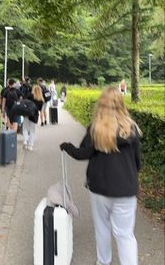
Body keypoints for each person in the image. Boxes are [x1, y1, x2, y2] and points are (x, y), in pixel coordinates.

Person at [60, 86, 142, 265]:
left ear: (101, 104)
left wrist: (67, 146)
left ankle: (103, 262)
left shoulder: (95, 129)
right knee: (125, 234)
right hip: (126, 188)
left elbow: (83, 154)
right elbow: (137, 161)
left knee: (102, 228)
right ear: (121, 104)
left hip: (99, 187)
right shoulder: (131, 129)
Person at [23, 84, 44, 151]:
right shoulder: (41, 99)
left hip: (27, 114)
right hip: (35, 116)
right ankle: (31, 145)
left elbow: (24, 102)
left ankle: (25, 141)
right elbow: (40, 110)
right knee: (33, 131)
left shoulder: (30, 96)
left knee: (25, 128)